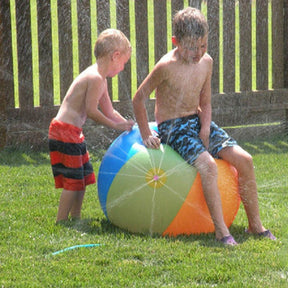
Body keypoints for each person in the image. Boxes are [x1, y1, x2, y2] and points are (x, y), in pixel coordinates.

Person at [132, 7, 276, 245]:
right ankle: (221, 232)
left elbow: (206, 102)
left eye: (203, 46)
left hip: (198, 120)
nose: (198, 53)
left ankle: (255, 226)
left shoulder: (206, 62)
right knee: (208, 167)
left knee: (245, 160)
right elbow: (139, 98)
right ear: (175, 42)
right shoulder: (165, 66)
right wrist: (147, 133)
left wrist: (206, 129)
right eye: (191, 47)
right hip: (173, 126)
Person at [49, 29, 134, 223]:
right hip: (64, 131)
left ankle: (76, 217)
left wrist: (127, 124)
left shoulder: (101, 79)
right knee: (73, 181)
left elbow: (109, 111)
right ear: (115, 56)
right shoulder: (95, 77)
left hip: (73, 132)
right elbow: (93, 111)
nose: (122, 69)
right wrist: (115, 126)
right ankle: (61, 221)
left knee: (83, 177)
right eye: (123, 64)